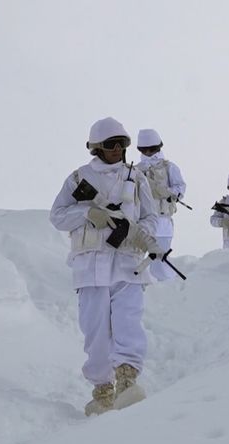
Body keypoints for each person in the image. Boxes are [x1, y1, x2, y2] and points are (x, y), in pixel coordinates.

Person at [49, 117, 165, 416]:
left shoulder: (136, 179)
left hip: (127, 264)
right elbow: (58, 216)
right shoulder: (78, 179)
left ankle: (127, 381)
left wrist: (142, 235)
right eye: (111, 144)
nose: (117, 149)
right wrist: (89, 213)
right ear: (97, 147)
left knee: (129, 321)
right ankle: (102, 391)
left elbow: (150, 216)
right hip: (90, 265)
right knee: (95, 330)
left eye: (122, 144)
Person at [134, 128, 187, 281]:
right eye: (145, 149)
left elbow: (180, 189)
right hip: (142, 222)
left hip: (163, 221)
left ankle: (166, 290)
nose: (149, 152)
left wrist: (165, 192)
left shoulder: (169, 167)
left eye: (152, 149)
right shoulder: (136, 170)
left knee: (161, 260)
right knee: (137, 258)